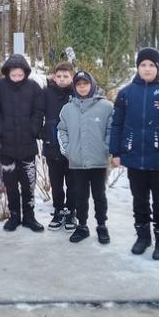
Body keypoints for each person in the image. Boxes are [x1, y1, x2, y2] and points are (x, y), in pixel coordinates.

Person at [110, 47, 159, 260]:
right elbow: (117, 124)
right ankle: (143, 237)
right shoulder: (126, 93)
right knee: (139, 201)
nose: (147, 69)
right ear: (137, 67)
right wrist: (116, 151)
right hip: (135, 158)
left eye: (151, 65)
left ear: (158, 68)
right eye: (143, 65)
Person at [0, 54, 45, 232]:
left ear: (25, 73)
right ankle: (14, 216)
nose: (16, 78)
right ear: (8, 73)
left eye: (20, 75)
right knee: (11, 184)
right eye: (13, 75)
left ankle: (29, 216)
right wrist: (0, 127)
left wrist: (34, 128)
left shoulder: (33, 87)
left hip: (28, 145)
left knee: (28, 183)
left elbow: (39, 110)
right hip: (7, 145)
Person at [57, 70, 113, 244]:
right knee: (80, 195)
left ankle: (102, 225)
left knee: (99, 195)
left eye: (85, 84)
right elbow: (61, 130)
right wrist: (68, 150)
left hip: (99, 161)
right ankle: (82, 226)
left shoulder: (106, 107)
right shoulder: (67, 109)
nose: (82, 88)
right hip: (77, 162)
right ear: (75, 87)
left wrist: (106, 148)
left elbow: (112, 130)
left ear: (92, 85)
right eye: (79, 85)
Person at [42, 62, 76, 231]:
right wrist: (42, 132)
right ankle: (58, 210)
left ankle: (71, 210)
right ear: (54, 77)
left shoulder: (77, 93)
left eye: (66, 76)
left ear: (72, 77)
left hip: (72, 147)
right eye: (59, 76)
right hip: (52, 145)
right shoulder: (47, 93)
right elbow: (37, 113)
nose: (62, 80)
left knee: (72, 181)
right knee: (56, 181)